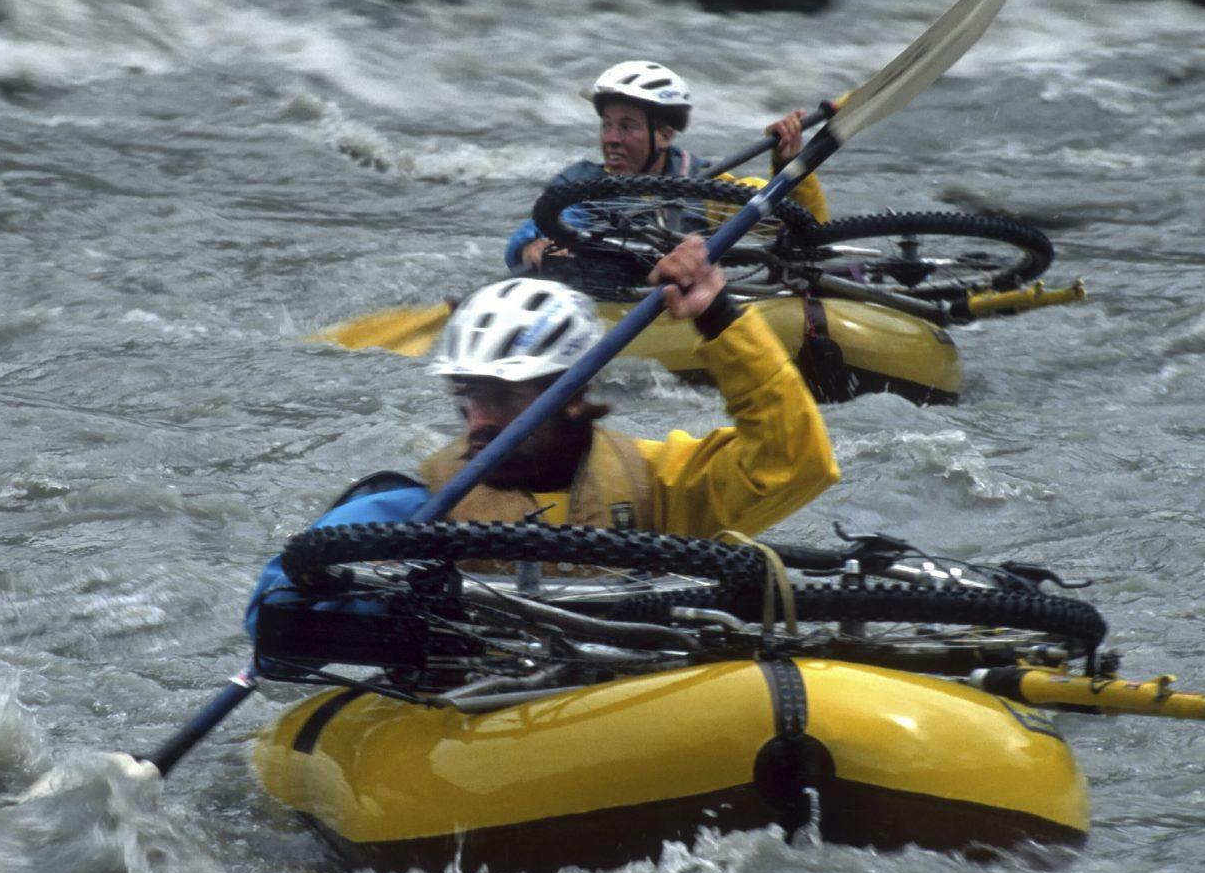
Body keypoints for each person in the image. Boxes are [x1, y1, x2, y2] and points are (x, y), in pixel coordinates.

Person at [246, 234, 839, 635]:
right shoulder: (422, 504)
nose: (479, 420)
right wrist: (389, 604)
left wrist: (722, 319)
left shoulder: (658, 484)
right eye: (469, 398)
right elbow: (280, 594)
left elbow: (793, 463)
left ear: (573, 394)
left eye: (503, 397)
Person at [504, 60, 830, 272]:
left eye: (627, 126)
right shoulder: (580, 184)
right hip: (604, 302)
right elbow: (539, 227)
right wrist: (535, 245)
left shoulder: (704, 184)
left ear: (663, 134)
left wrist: (789, 165)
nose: (611, 139)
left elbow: (805, 226)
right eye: (607, 125)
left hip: (677, 309)